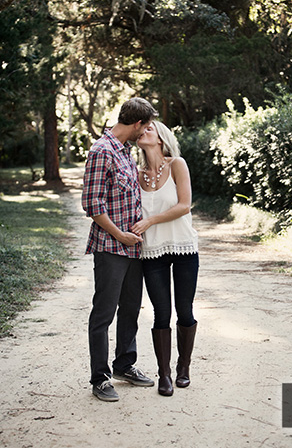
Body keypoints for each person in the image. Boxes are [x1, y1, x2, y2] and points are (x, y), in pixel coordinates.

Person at [82, 97, 159, 402]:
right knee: (103, 313)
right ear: (137, 124)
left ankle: (124, 365)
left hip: (133, 249)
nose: (147, 131)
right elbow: (92, 204)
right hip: (111, 247)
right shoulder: (102, 151)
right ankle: (99, 378)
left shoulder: (126, 151)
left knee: (130, 309)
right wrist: (120, 235)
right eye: (147, 126)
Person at [131, 121, 200, 397]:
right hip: (152, 251)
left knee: (184, 309)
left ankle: (184, 368)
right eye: (141, 130)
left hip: (183, 246)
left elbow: (185, 205)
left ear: (161, 138)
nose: (142, 132)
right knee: (161, 312)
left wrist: (150, 221)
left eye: (149, 129)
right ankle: (165, 374)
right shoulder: (137, 175)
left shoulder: (177, 165)